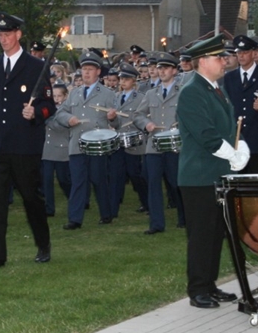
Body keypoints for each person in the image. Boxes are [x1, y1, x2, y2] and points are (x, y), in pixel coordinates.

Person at [0, 12, 55, 269]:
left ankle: (43, 243)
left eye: (7, 34)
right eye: (0, 35)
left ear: (18, 34)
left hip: (24, 145)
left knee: (31, 197)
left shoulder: (35, 66)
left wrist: (36, 113)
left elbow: (49, 104)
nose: (3, 39)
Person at [176, 34, 248, 309]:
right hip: (200, 175)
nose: (224, 61)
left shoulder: (215, 88)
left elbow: (228, 128)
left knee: (217, 232)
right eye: (219, 57)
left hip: (217, 173)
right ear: (203, 61)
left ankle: (210, 284)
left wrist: (241, 148)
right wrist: (232, 155)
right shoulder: (192, 91)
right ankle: (197, 289)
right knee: (201, 235)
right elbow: (205, 134)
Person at [55, 50, 118, 230]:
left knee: (99, 180)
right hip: (77, 144)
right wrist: (69, 119)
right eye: (84, 69)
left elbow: (118, 122)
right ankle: (75, 219)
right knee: (78, 182)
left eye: (90, 69)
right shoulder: (74, 93)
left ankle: (106, 213)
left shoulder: (107, 94)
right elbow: (61, 113)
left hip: (97, 145)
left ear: (98, 72)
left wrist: (113, 118)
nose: (86, 73)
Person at [133, 52, 184, 234]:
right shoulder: (151, 93)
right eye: (159, 68)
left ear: (174, 71)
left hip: (175, 145)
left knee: (176, 183)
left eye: (166, 68)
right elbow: (138, 115)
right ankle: (156, 224)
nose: (162, 71)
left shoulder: (183, 91)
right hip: (154, 145)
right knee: (153, 184)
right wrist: (146, 124)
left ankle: (184, 217)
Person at [222, 36, 258, 174]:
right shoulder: (230, 78)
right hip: (238, 139)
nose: (241, 56)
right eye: (239, 53)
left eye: (245, 52)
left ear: (253, 53)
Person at [110, 63, 149, 217]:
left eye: (126, 79)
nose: (123, 82)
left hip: (135, 141)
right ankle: (112, 210)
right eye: (121, 79)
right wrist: (112, 119)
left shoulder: (141, 98)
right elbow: (115, 124)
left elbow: (143, 117)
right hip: (119, 140)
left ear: (134, 80)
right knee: (116, 175)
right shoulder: (115, 97)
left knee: (135, 174)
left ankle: (146, 203)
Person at [42, 83, 72, 218]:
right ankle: (49, 208)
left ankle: (75, 198)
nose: (56, 98)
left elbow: (60, 126)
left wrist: (46, 119)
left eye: (59, 96)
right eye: (54, 96)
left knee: (63, 179)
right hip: (48, 149)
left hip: (62, 148)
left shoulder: (67, 110)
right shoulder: (48, 108)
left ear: (65, 96)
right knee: (47, 180)